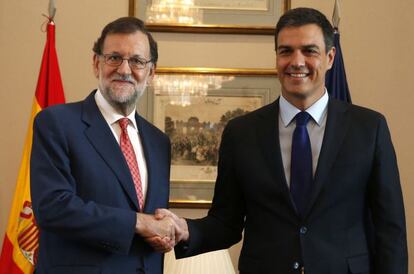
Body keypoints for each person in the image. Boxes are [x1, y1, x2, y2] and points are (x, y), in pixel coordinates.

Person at [156, 7, 408, 274]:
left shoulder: (369, 128)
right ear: (276, 57)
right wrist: (186, 230)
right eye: (286, 51)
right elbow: (225, 223)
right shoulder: (241, 133)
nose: (296, 61)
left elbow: (390, 229)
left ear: (330, 57)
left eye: (309, 51)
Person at [31, 17, 176, 274]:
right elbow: (53, 207)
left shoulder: (158, 142)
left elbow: (149, 221)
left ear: (151, 72)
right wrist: (138, 223)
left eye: (137, 61)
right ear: (96, 63)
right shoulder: (57, 123)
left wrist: (163, 233)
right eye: (114, 58)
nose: (124, 69)